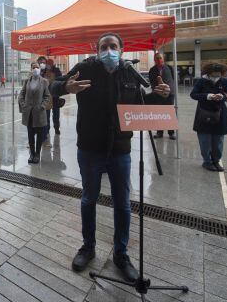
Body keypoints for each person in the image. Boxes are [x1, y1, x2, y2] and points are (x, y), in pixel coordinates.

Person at [50, 32, 171, 282]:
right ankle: (88, 246)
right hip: (89, 148)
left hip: (120, 149)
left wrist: (160, 95)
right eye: (103, 47)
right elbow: (53, 85)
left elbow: (139, 105)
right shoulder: (84, 68)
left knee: (123, 204)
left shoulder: (129, 73)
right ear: (97, 50)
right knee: (88, 199)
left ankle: (121, 253)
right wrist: (65, 87)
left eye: (113, 46)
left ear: (122, 49)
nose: (108, 50)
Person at [190, 63, 227, 172]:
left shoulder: (223, 81)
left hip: (220, 113)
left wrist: (222, 96)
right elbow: (193, 95)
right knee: (205, 140)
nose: (216, 77)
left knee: (218, 140)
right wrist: (208, 96)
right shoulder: (201, 81)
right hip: (204, 113)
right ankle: (207, 161)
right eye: (214, 75)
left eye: (218, 75)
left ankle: (216, 161)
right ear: (209, 73)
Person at [19, 62, 51, 164]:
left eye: (37, 67)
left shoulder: (44, 81)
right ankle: (31, 154)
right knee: (30, 135)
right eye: (34, 67)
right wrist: (23, 104)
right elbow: (21, 94)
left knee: (40, 136)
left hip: (39, 113)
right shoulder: (27, 81)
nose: (35, 69)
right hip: (29, 113)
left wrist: (42, 106)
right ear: (31, 69)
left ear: (40, 69)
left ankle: (37, 154)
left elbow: (47, 96)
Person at [148, 52, 176, 140]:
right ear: (154, 60)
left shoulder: (170, 68)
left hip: (169, 94)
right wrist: (156, 90)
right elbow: (152, 82)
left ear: (163, 58)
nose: (158, 60)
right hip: (158, 94)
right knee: (159, 113)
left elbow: (173, 79)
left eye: (160, 58)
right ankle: (159, 132)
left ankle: (171, 133)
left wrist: (169, 89)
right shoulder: (152, 70)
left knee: (169, 113)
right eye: (156, 58)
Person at [43, 58, 63, 136]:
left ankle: (56, 128)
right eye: (47, 64)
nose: (48, 66)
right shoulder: (43, 71)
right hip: (47, 96)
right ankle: (47, 129)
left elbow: (60, 80)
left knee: (56, 114)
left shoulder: (57, 71)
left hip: (55, 96)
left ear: (52, 64)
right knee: (46, 115)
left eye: (49, 64)